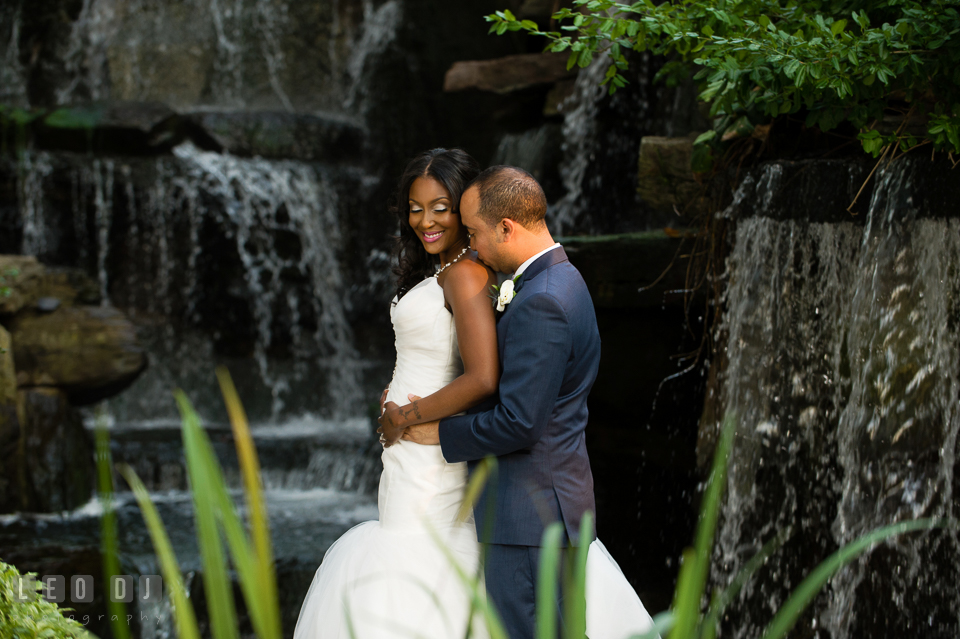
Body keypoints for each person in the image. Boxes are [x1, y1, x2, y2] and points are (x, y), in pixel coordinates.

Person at [380, 165, 657, 639]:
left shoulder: (543, 300)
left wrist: (433, 432)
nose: (473, 247)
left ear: (506, 227)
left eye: (475, 233)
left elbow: (519, 423)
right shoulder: (559, 282)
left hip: (527, 517)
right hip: (543, 507)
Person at [293, 148, 496, 639]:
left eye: (440, 207)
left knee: (416, 553)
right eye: (415, 207)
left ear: (465, 207)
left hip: (428, 453)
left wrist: (407, 415)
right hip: (405, 453)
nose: (426, 220)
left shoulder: (465, 272)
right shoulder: (438, 270)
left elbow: (484, 376)